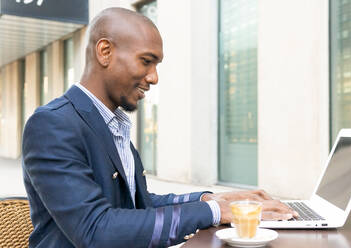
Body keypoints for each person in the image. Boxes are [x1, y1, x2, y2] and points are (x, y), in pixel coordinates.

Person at [22, 7, 297, 248]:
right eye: (146, 61)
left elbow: (140, 205)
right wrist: (215, 211)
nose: (153, 77)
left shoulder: (111, 123)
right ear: (105, 52)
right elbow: (97, 231)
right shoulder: (53, 125)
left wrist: (213, 199)